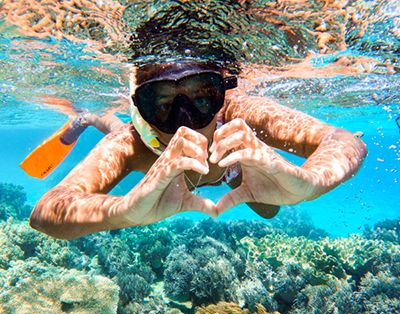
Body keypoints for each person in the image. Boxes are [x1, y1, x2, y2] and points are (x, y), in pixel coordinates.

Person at [28, 59, 367, 240]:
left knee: (270, 209)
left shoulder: (240, 113)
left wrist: (311, 181)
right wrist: (122, 210)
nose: (185, 122)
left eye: (202, 98)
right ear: (142, 109)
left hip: (230, 166)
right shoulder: (133, 141)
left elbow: (346, 141)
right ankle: (86, 117)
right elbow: (46, 212)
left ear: (220, 95)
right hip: (150, 149)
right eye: (162, 105)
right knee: (114, 128)